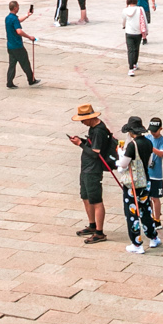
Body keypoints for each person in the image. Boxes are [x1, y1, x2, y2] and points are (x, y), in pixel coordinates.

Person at [117, 115, 161, 253]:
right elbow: (148, 162)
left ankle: (137, 244)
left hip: (132, 185)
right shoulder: (148, 143)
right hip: (145, 181)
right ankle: (153, 237)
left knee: (132, 213)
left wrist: (119, 155)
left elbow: (123, 166)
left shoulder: (132, 145)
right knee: (145, 210)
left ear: (130, 131)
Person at [73, 104, 112, 243]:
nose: (82, 122)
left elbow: (96, 154)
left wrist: (80, 144)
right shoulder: (93, 129)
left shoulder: (98, 131)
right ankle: (92, 225)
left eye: (83, 120)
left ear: (89, 118)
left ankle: (99, 232)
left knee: (96, 200)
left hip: (93, 170)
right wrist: (83, 141)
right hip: (86, 168)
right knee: (85, 196)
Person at [4, 1, 40, 87]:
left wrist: (27, 15)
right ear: (15, 8)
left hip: (10, 46)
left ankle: (9, 82)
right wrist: (29, 37)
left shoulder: (8, 18)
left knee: (12, 65)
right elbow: (19, 31)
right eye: (18, 6)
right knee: (25, 63)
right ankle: (31, 80)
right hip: (17, 46)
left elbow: (17, 21)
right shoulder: (14, 19)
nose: (19, 8)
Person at [146, 117, 163, 229]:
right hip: (147, 172)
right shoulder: (147, 137)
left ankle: (157, 219)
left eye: (155, 131)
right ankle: (149, 217)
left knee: (155, 198)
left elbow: (161, 154)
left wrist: (151, 147)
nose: (153, 133)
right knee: (147, 197)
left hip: (156, 174)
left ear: (161, 129)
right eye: (151, 131)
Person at [122, 0, 149, 76]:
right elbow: (144, 20)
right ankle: (134, 63)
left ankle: (130, 69)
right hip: (138, 32)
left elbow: (123, 21)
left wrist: (124, 26)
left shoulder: (125, 10)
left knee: (130, 50)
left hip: (129, 32)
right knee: (136, 48)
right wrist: (146, 32)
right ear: (136, 1)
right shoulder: (140, 9)